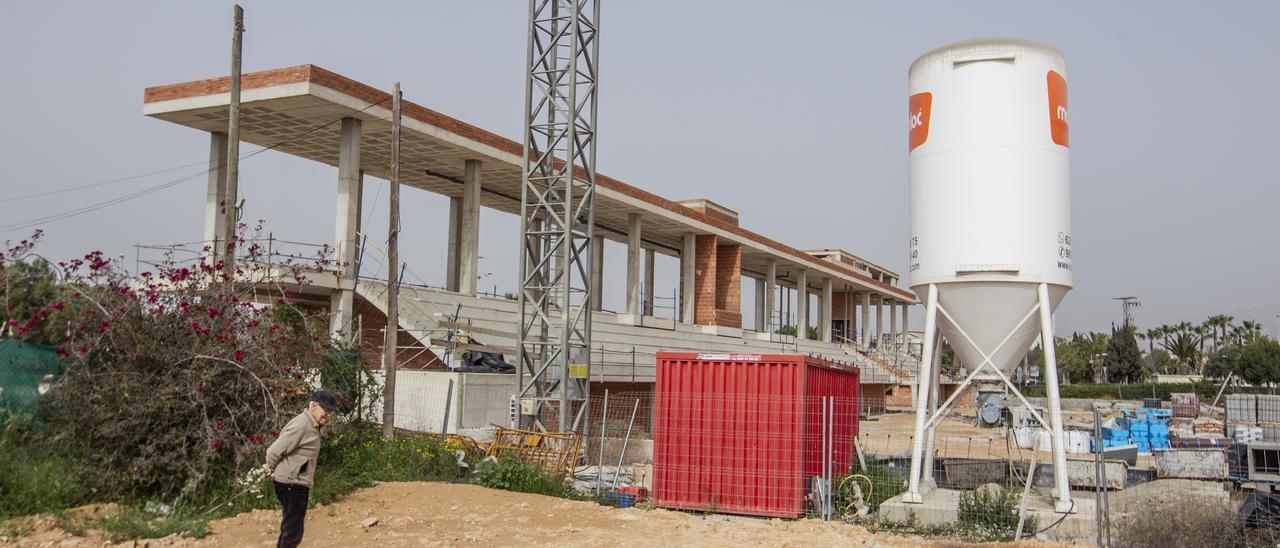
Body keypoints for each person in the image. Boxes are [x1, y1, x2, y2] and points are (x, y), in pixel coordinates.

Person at [265, 390, 337, 548]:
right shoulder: (302, 425)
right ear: (313, 406)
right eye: (326, 410)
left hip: (296, 484)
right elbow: (273, 451)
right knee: (293, 532)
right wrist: (269, 470)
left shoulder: (312, 425)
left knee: (291, 528)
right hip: (291, 484)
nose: (328, 414)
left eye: (330, 411)